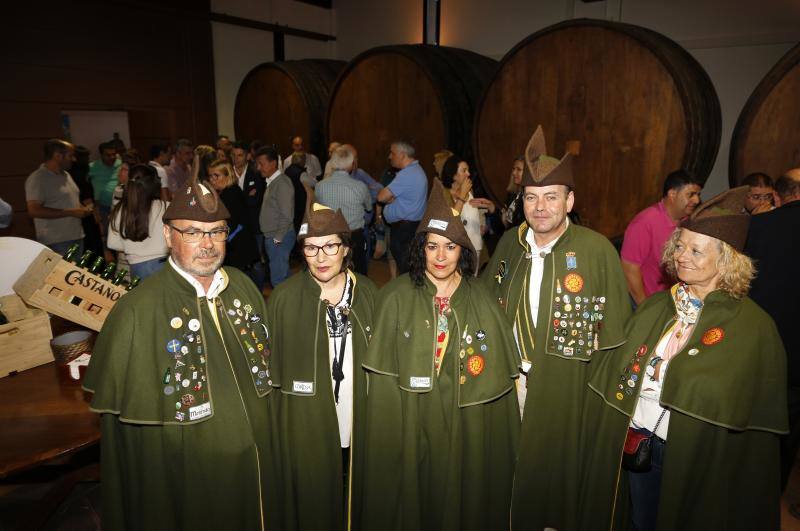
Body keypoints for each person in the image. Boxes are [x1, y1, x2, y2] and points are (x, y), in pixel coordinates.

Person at [581, 186, 788, 531]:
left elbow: (741, 413)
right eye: (679, 245)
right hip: (640, 444)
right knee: (639, 521)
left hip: (697, 459)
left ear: (726, 260)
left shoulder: (753, 327)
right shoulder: (657, 306)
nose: (681, 256)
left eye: (695, 250)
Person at [83, 177, 280, 531]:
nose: (207, 244)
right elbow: (134, 439)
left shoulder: (244, 287)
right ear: (168, 235)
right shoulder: (137, 310)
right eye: (192, 232)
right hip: (192, 474)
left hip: (260, 460)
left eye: (217, 232)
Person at [482, 125, 631, 531]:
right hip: (510, 383)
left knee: (556, 480)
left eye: (551, 197)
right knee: (510, 469)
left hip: (568, 388)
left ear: (569, 201)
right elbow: (482, 302)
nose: (540, 207)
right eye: (531, 197)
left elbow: (615, 333)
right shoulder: (510, 244)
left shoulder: (596, 250)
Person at [360, 179, 520, 530]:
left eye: (450, 246)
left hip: (465, 419)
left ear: (463, 250)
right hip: (412, 415)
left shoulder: (482, 300)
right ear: (422, 249)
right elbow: (383, 386)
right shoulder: (396, 296)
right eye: (433, 247)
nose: (441, 256)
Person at [267, 201, 376, 530]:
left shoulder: (369, 294)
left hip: (357, 417)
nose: (321, 256)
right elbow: (272, 373)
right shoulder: (283, 299)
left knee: (355, 492)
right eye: (311, 248)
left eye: (330, 246)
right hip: (307, 424)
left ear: (345, 248)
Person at [745, 170, 800, 493]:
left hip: (761, 353)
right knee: (788, 440)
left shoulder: (758, 228)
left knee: (752, 433)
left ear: (777, 197)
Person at [621, 170, 702, 305]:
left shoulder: (689, 222)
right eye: (691, 194)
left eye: (698, 195)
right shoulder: (644, 222)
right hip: (648, 303)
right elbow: (629, 270)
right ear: (672, 194)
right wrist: (644, 307)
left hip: (673, 303)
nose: (697, 200)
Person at [25, 139, 91, 254]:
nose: (74, 159)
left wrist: (82, 209)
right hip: (57, 241)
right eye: (71, 156)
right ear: (58, 156)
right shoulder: (38, 178)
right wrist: (71, 212)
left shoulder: (66, 175)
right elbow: (33, 210)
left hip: (76, 236)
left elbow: (67, 201)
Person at [315, 146, 373, 275]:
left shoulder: (320, 186)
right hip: (354, 237)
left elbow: (318, 210)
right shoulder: (360, 187)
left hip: (330, 237)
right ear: (352, 164)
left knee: (333, 273)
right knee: (357, 274)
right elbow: (369, 207)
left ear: (333, 163)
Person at [107, 164, 168, 279]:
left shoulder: (120, 209)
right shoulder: (165, 207)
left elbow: (112, 243)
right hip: (164, 264)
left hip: (137, 266)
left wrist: (133, 246)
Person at [377, 140, 428, 275]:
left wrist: (389, 199)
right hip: (410, 227)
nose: (389, 157)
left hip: (404, 231)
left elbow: (381, 197)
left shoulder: (407, 174)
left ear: (402, 155)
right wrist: (392, 198)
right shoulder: (416, 171)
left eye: (392, 153)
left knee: (407, 271)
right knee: (410, 269)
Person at [440, 155, 495, 269]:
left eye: (468, 170)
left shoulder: (470, 191)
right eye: (464, 170)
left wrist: (482, 224)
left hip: (475, 245)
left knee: (472, 281)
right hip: (456, 247)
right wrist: (462, 195)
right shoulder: (444, 194)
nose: (468, 174)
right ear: (453, 175)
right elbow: (450, 219)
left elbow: (473, 211)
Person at [206, 158, 259, 272]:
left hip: (239, 248)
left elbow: (230, 223)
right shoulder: (228, 192)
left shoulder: (231, 194)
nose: (212, 180)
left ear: (228, 175)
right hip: (237, 247)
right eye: (210, 176)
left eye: (216, 176)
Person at [256, 145, 295, 287]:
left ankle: (284, 308)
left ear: (273, 163)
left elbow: (287, 215)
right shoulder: (272, 182)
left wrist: (278, 239)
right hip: (274, 236)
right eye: (258, 163)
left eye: (261, 163)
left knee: (279, 280)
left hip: (279, 237)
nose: (258, 167)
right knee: (282, 274)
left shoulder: (282, 183)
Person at [88, 140, 122, 232]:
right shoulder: (92, 167)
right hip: (101, 206)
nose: (112, 157)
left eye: (114, 154)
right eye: (108, 155)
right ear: (101, 155)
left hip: (119, 205)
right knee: (107, 233)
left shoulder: (121, 164)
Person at [501, 156, 525, 228]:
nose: (514, 173)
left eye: (519, 169)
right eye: (513, 169)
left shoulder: (528, 197)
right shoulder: (512, 195)